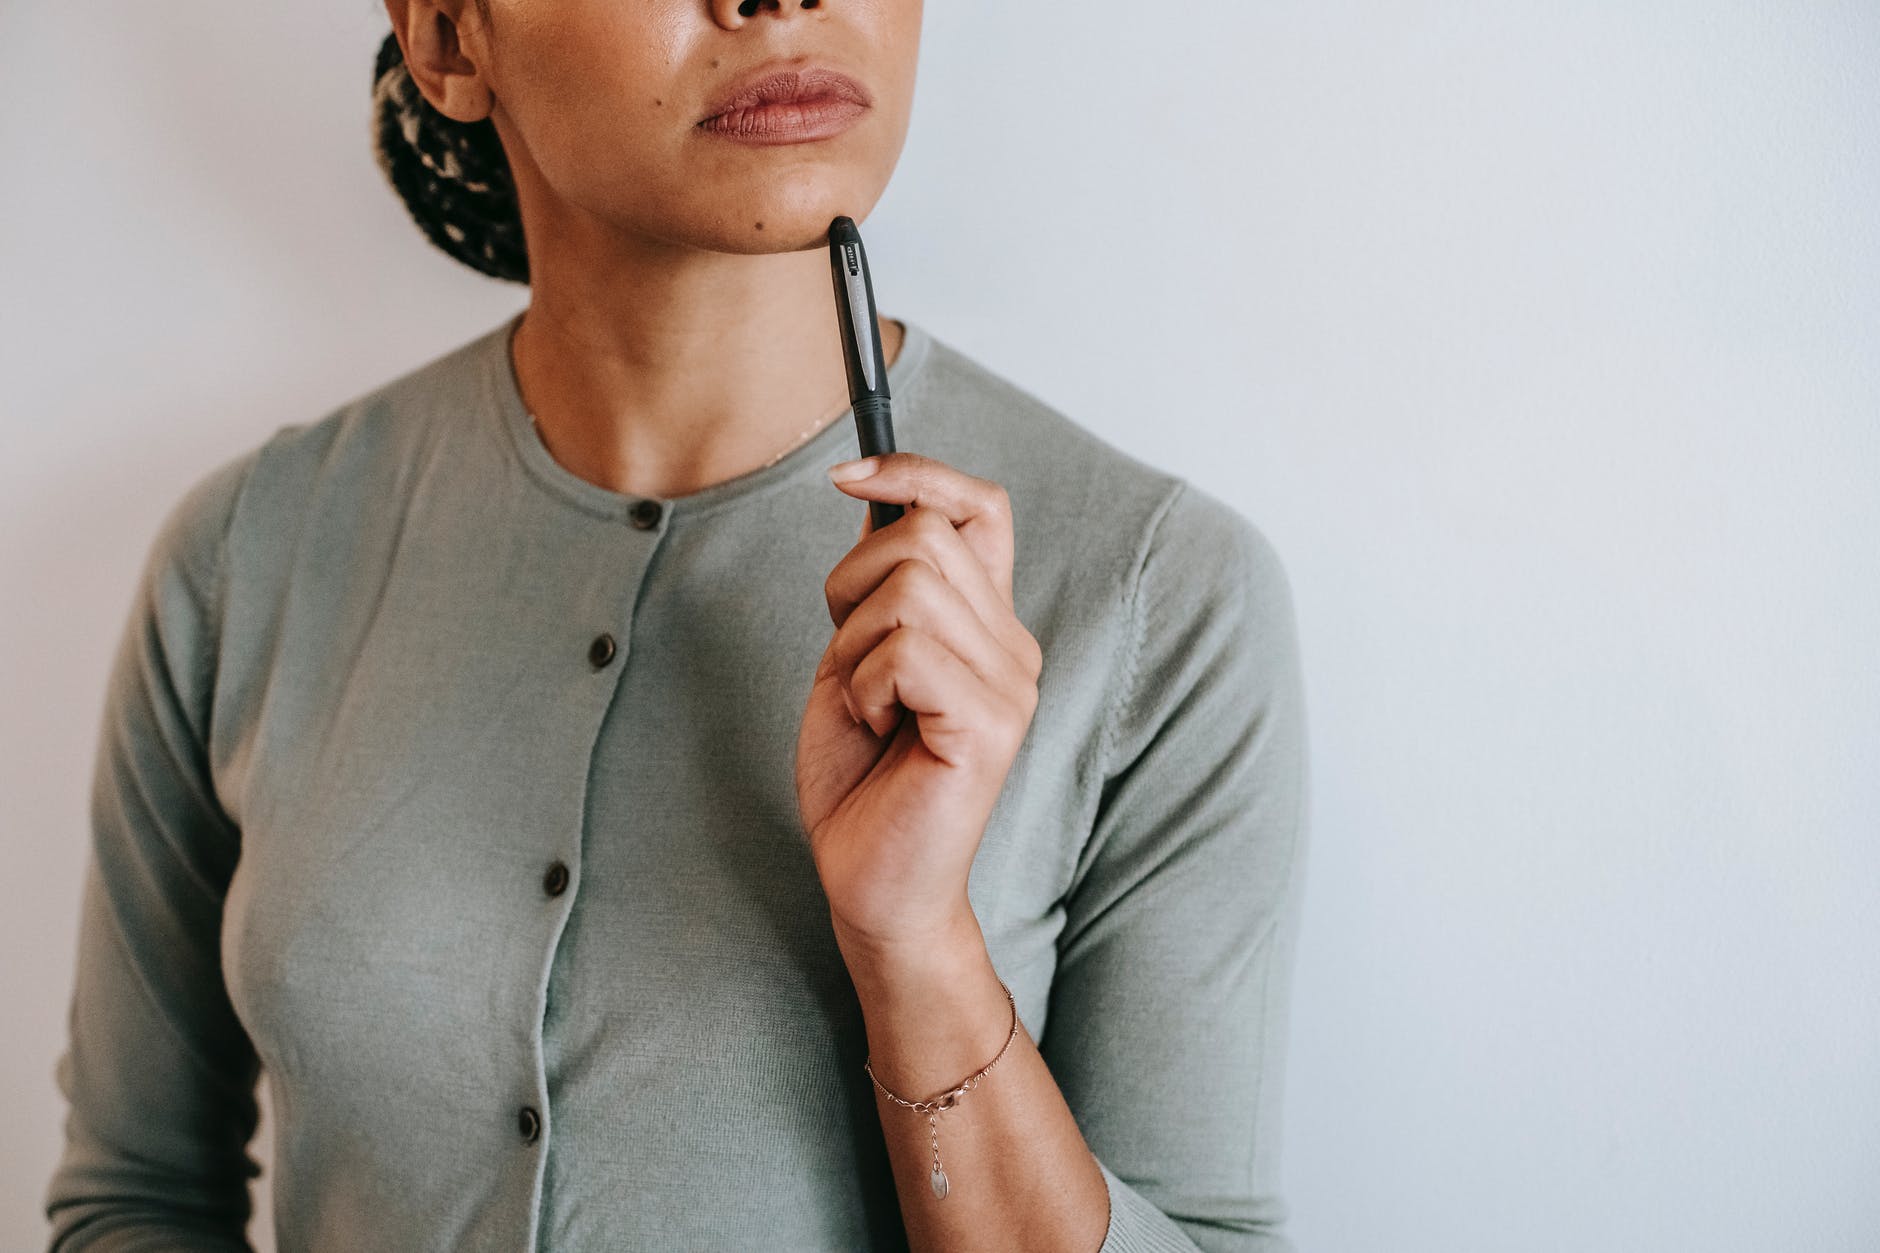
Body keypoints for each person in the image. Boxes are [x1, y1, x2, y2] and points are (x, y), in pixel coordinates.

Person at [43, 1, 1311, 1250]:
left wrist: (915, 949)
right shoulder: (248, 554)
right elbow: (134, 1199)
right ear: (446, 37)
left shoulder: (1161, 599)